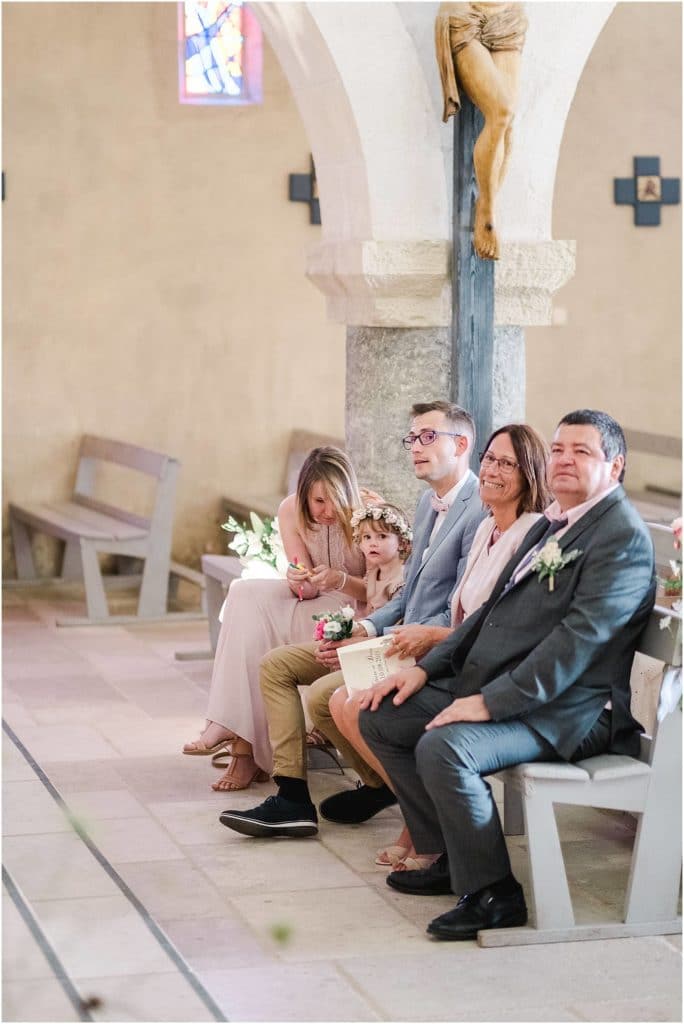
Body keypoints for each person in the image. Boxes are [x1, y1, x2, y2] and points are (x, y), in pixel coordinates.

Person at [358, 410, 655, 941]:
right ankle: (451, 855)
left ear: (615, 466)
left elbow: (577, 646)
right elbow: (486, 615)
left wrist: (490, 703)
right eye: (559, 448)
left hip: (576, 712)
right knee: (383, 715)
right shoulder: (551, 523)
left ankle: (495, 893)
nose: (563, 459)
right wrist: (425, 673)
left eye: (581, 451)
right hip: (522, 692)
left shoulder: (621, 537)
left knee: (446, 747)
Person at [218, 400, 484, 838]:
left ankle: (383, 787)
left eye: (427, 437)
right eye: (412, 437)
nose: (415, 446)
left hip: (425, 644)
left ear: (462, 444)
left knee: (328, 695)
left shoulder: (475, 510)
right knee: (276, 665)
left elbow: (457, 604)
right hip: (387, 630)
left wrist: (388, 631)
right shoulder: (426, 503)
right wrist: (365, 629)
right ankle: (292, 797)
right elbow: (408, 594)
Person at [326, 423, 550, 871]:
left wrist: (430, 651)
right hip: (455, 659)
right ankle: (424, 827)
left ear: (530, 474)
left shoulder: (532, 537)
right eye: (490, 459)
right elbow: (461, 610)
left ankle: (430, 837)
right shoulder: (488, 525)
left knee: (380, 712)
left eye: (506, 464)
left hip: (490, 676)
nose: (491, 470)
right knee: (359, 703)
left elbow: (505, 630)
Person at [182, 446, 368, 791]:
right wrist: (297, 578)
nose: (327, 511)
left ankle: (240, 742)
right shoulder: (290, 511)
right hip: (316, 601)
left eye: (334, 501)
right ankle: (228, 723)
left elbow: (384, 589)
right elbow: (305, 587)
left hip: (357, 611)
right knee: (243, 593)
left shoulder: (370, 510)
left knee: (261, 629)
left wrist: (342, 581)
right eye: (318, 502)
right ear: (303, 497)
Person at [435, 2, 528, 259]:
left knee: (508, 128)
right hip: (466, 13)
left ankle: (487, 206)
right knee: (502, 111)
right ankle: (486, 213)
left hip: (508, 14)